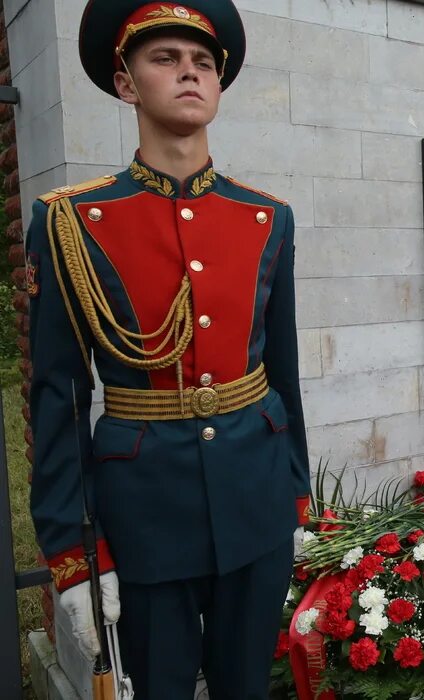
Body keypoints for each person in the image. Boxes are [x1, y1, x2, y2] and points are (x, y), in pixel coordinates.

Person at [26, 2, 310, 696]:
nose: (190, 71)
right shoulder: (72, 222)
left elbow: (285, 373)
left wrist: (297, 496)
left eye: (203, 62)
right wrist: (70, 550)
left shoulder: (265, 217)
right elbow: (59, 394)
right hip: (145, 511)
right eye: (165, 58)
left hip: (256, 495)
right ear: (126, 84)